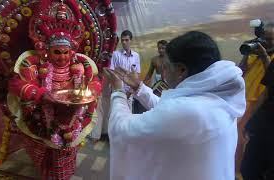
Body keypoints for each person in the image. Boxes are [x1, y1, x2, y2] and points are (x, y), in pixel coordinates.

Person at [104, 31, 246, 180]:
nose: (164, 73)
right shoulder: (218, 97)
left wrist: (118, 91)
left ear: (181, 70)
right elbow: (166, 109)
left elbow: (122, 129)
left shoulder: (188, 111)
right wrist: (139, 87)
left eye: (166, 67)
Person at [90, 30, 142, 140]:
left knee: (128, 114)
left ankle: (125, 137)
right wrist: (117, 89)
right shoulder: (116, 55)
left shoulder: (136, 56)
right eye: (122, 40)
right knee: (115, 114)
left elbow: (136, 75)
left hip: (129, 91)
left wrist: (130, 91)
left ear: (131, 41)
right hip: (117, 90)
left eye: (126, 40)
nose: (124, 42)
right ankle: (112, 137)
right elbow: (111, 72)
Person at [240, 22, 274, 180]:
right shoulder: (254, 52)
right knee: (240, 140)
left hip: (260, 105)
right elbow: (240, 71)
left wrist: (265, 57)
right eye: (263, 38)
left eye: (270, 39)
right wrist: (248, 53)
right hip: (245, 101)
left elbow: (270, 84)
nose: (266, 42)